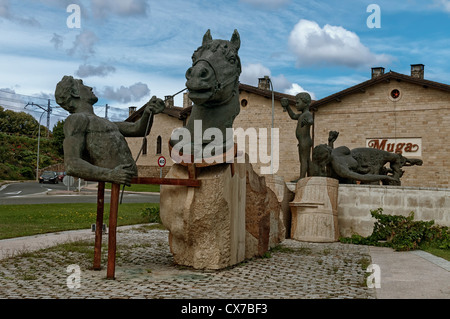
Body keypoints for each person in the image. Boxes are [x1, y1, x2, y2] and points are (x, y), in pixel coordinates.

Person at [55, 75, 165, 186]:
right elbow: (71, 164)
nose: (90, 88)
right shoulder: (76, 119)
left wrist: (148, 112)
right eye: (83, 85)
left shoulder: (104, 122)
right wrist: (110, 175)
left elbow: (138, 129)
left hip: (127, 183)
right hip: (113, 185)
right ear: (75, 93)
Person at [281, 93, 314, 182]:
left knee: (303, 160)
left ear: (305, 103)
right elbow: (293, 116)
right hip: (303, 141)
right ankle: (309, 177)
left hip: (305, 141)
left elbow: (311, 121)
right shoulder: (301, 115)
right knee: (306, 160)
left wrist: (308, 122)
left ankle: (302, 178)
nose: (296, 105)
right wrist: (287, 106)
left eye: (298, 103)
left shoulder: (307, 114)